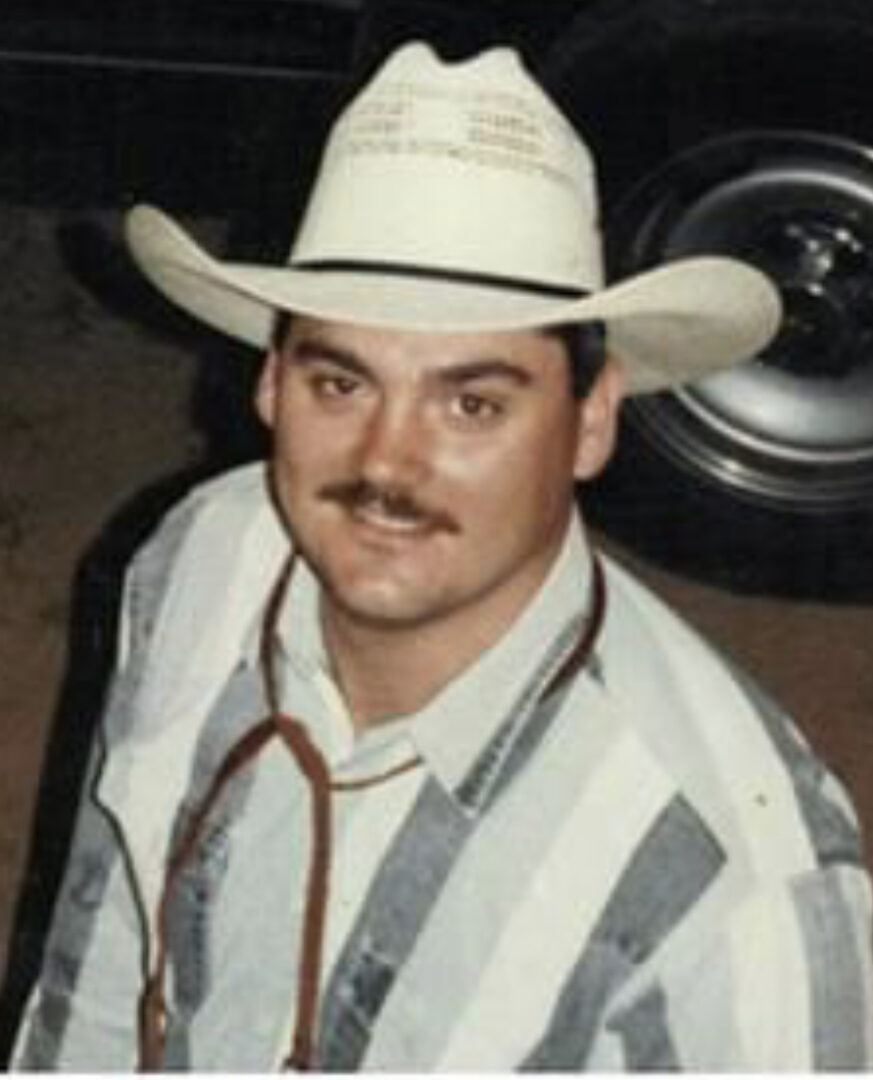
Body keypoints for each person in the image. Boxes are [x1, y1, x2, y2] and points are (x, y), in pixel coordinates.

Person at [11, 41, 873, 1072]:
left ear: (591, 419)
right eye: (343, 382)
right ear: (271, 384)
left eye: (472, 403)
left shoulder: (731, 891)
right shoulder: (208, 552)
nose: (386, 460)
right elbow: (104, 965)